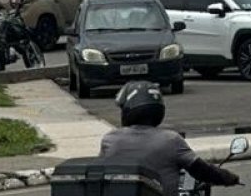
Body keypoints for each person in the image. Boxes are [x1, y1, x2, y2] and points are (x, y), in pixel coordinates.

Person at [100, 81, 240, 196]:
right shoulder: (171, 140)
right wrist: (229, 177)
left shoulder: (110, 140)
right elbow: (202, 170)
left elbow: (99, 172)